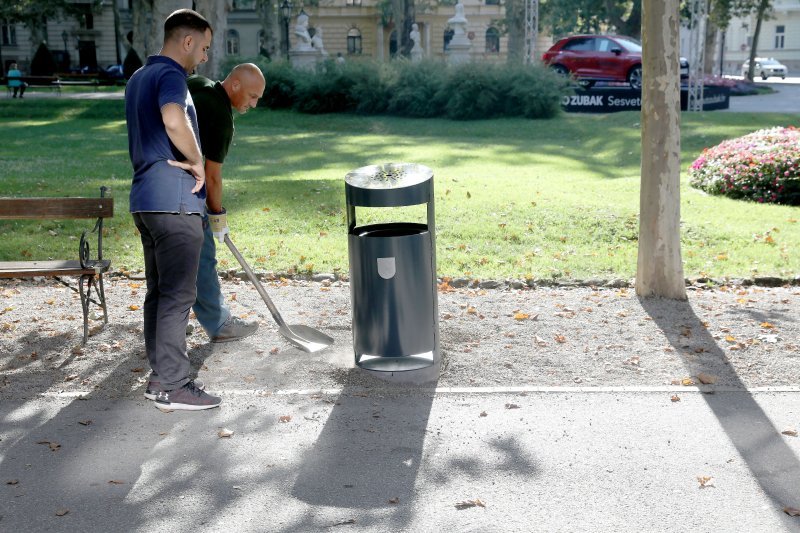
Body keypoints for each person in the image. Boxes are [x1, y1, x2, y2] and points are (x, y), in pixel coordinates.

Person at [125, 9, 221, 411]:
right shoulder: (170, 76)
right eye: (203, 48)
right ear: (187, 41)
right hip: (175, 202)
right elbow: (172, 118)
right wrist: (198, 160)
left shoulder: (137, 78)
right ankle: (172, 385)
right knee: (179, 295)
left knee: (159, 294)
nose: (203, 57)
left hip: (145, 202)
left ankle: (160, 379)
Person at [186, 63, 265, 344]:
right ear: (234, 85)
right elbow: (213, 175)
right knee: (202, 257)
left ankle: (169, 323)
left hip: (154, 185)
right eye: (252, 96)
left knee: (170, 260)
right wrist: (216, 214)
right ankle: (220, 324)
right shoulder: (221, 116)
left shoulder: (197, 83)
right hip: (185, 191)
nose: (253, 105)